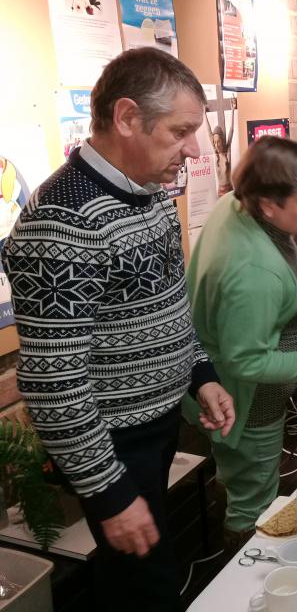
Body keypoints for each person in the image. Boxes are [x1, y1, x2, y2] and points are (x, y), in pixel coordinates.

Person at [1, 47, 235, 612]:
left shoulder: (148, 192)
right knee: (142, 588)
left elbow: (167, 307)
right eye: (181, 131)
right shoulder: (60, 223)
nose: (195, 150)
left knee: (143, 574)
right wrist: (108, 492)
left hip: (156, 424)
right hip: (113, 442)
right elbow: (55, 385)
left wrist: (199, 374)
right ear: (128, 118)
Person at [182, 137, 297, 542]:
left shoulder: (234, 204)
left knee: (239, 481)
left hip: (226, 388)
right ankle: (244, 582)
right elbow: (249, 362)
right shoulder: (254, 272)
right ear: (267, 204)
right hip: (250, 401)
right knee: (254, 503)